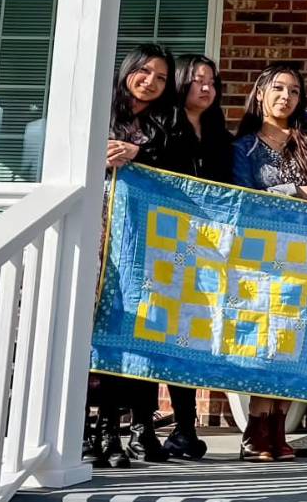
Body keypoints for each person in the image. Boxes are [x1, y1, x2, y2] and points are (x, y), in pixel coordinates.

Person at [233, 62, 307, 463]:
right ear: (261, 93)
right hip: (264, 259)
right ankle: (256, 426)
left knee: (298, 343)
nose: (286, 97)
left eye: (295, 91)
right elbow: (241, 197)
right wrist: (293, 191)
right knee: (265, 342)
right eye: (279, 89)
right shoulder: (244, 146)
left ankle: (278, 428)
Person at [93, 44, 177, 468]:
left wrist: (138, 154)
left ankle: (137, 429)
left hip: (145, 243)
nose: (151, 82)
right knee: (101, 332)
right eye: (145, 71)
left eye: (162, 77)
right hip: (97, 238)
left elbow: (179, 169)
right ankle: (103, 431)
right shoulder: (97, 114)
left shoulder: (164, 127)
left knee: (138, 330)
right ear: (127, 69)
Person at [158, 53, 235, 461]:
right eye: (198, 80)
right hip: (165, 244)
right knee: (166, 331)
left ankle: (185, 427)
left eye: (212, 82)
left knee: (196, 333)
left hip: (209, 247)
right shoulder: (162, 128)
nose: (206, 88)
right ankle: (166, 426)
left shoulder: (221, 135)